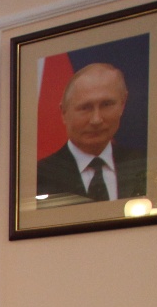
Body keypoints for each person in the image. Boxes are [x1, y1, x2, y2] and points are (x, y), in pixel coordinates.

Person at [36, 62, 147, 203]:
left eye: (106, 105)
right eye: (85, 108)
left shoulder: (144, 165)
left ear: (122, 104)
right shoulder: (39, 176)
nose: (96, 120)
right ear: (64, 112)